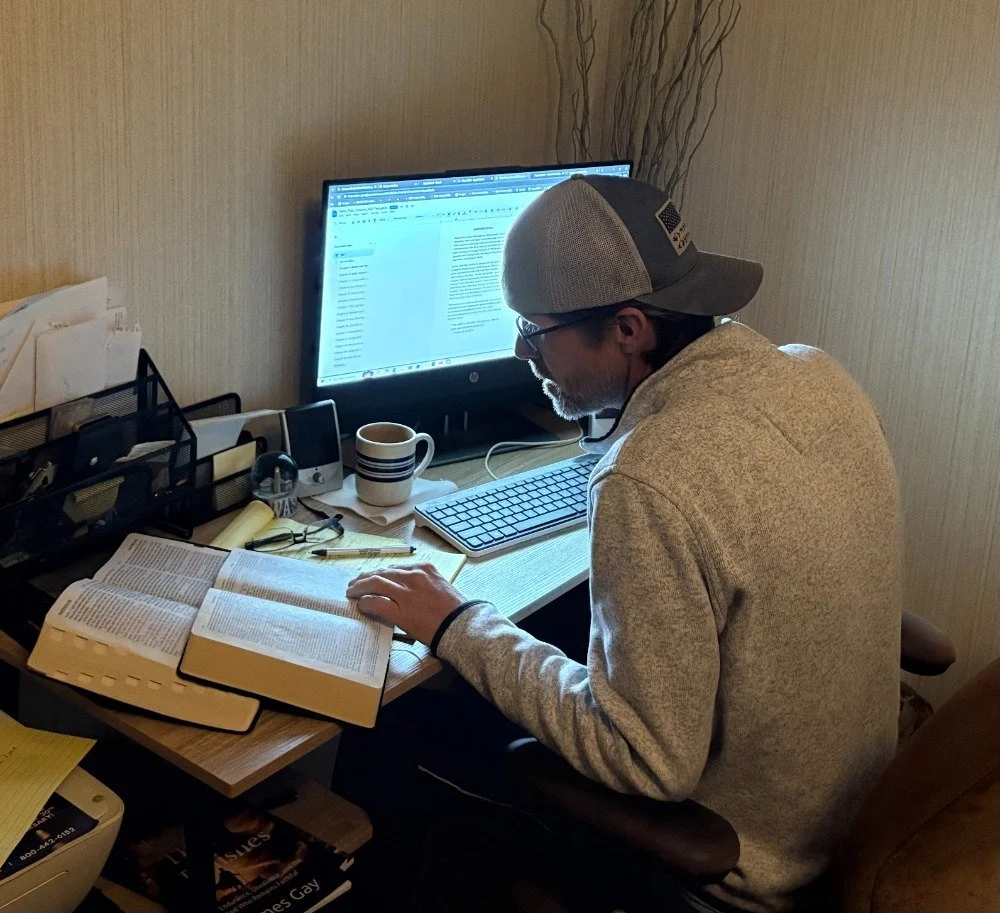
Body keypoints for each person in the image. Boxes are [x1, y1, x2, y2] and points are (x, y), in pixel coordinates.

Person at [346, 176, 902, 912]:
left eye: (536, 330)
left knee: (403, 740)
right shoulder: (814, 372)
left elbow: (645, 758)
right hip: (852, 818)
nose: (522, 351)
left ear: (631, 328)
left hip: (737, 868)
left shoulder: (649, 475)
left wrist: (456, 624)